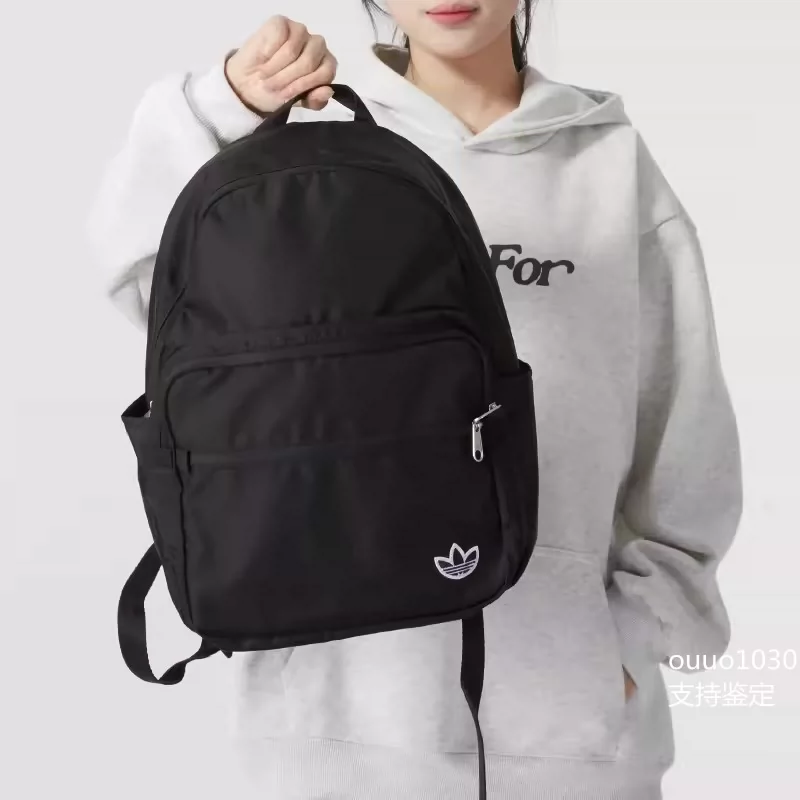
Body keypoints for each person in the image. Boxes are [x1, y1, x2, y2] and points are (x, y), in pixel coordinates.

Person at [86, 2, 744, 798]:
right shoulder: (299, 151)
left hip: (569, 733)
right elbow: (141, 277)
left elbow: (686, 434)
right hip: (329, 720)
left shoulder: (608, 165)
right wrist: (221, 106)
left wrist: (635, 641)